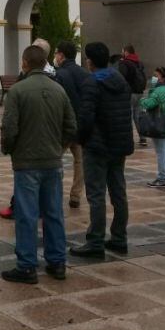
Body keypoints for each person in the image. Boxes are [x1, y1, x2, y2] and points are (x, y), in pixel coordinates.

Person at [0, 46, 76, 284]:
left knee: (27, 215)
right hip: (52, 162)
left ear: (24, 63)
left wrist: (9, 148)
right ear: (45, 63)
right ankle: (57, 262)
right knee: (54, 213)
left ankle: (27, 266)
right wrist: (58, 147)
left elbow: (10, 128)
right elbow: (71, 127)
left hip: (26, 162)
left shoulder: (17, 91)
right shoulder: (59, 89)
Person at [70, 42, 135, 259]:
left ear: (90, 61)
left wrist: (82, 138)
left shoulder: (92, 83)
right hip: (119, 144)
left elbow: (86, 116)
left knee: (96, 194)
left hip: (97, 146)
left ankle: (95, 240)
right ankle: (119, 237)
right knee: (118, 191)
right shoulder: (120, 80)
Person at [0, 39, 57, 220]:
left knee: (27, 187)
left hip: (29, 145)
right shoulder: (54, 80)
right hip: (49, 148)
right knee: (53, 212)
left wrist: (8, 146)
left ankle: (20, 210)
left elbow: (10, 123)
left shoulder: (46, 78)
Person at [54, 40, 89, 208]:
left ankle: (53, 192)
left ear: (61, 55)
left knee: (54, 159)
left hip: (64, 126)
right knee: (80, 161)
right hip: (81, 124)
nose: (55, 56)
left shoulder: (59, 74)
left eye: (56, 53)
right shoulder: (84, 73)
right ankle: (76, 195)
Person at [117, 45, 148, 148]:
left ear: (126, 52)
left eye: (122, 51)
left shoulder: (124, 63)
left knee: (128, 116)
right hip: (139, 93)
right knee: (138, 116)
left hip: (129, 93)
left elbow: (121, 78)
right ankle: (143, 138)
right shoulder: (139, 63)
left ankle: (127, 139)